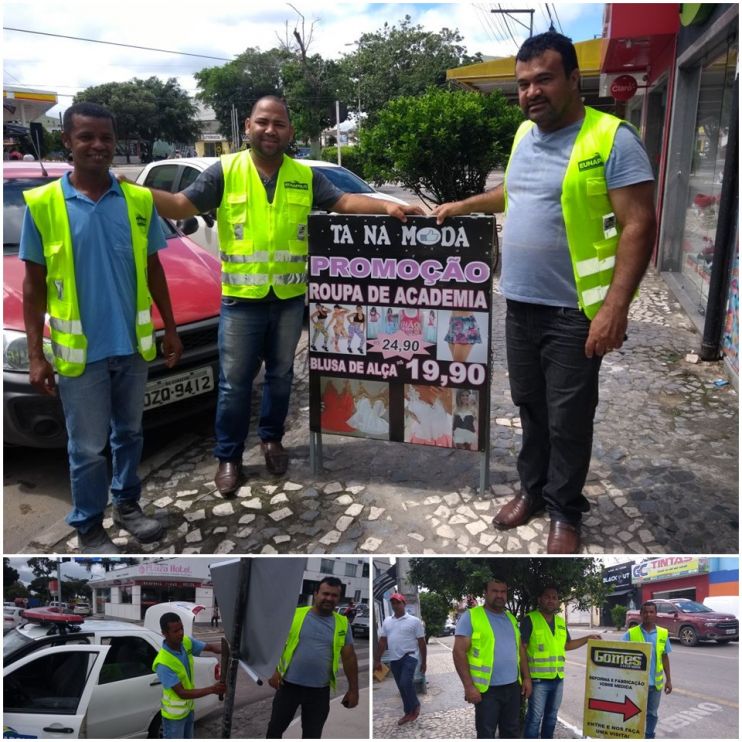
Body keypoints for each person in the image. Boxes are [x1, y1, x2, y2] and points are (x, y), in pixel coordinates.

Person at [434, 32, 656, 553]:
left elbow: (639, 225)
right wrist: (465, 205)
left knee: (569, 418)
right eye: (523, 84)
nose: (532, 92)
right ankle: (532, 491)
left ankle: (565, 511)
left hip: (576, 311)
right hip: (521, 305)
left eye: (544, 80)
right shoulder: (522, 137)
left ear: (575, 79)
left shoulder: (612, 138)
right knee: (531, 407)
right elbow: (513, 191)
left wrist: (614, 309)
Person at [140, 96, 423, 490]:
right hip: (241, 302)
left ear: (289, 131)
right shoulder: (226, 171)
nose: (270, 130)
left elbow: (343, 202)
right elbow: (180, 203)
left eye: (278, 124)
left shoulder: (304, 176)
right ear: (249, 128)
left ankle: (272, 441)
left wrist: (388, 207)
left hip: (289, 300)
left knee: (280, 377)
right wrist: (133, 192)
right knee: (234, 385)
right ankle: (229, 456)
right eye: (262, 122)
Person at [21, 101, 183, 554]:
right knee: (87, 449)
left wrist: (170, 328)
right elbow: (33, 289)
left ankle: (127, 506)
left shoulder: (137, 201)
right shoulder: (44, 205)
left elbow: (154, 270)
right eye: (86, 137)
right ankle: (89, 528)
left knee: (130, 435)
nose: (97, 145)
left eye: (106, 138)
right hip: (80, 356)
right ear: (67, 141)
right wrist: (36, 354)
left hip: (131, 347)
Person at [266, 576, 359, 738]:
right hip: (288, 687)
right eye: (325, 594)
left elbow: (349, 658)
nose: (329, 598)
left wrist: (354, 690)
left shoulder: (343, 623)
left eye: (334, 595)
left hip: (319, 692)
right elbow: (273, 643)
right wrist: (272, 670)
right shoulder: (295, 615)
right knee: (274, 730)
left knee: (312, 735)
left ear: (339, 598)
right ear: (316, 594)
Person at [452, 577, 532, 738]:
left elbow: (520, 651)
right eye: (495, 591)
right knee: (486, 733)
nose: (499, 595)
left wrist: (527, 678)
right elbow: (458, 652)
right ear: (486, 593)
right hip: (487, 691)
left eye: (503, 591)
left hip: (512, 688)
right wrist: (469, 687)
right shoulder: (471, 616)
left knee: (511, 732)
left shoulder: (510, 618)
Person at [521, 585, 601, 738]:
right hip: (538, 680)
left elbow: (567, 645)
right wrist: (526, 678)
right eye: (547, 597)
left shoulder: (560, 622)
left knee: (551, 717)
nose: (551, 600)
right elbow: (521, 650)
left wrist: (587, 638)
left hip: (558, 679)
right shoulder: (529, 620)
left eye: (554, 597)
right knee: (534, 719)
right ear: (540, 599)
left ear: (558, 602)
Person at [153, 612, 226, 738]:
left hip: (189, 710)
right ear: (164, 633)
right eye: (176, 631)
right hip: (174, 717)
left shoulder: (185, 642)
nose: (181, 633)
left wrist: (227, 649)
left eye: (181, 628)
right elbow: (181, 693)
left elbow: (208, 647)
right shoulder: (163, 662)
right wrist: (212, 689)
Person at [375, 592, 427, 726]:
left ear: (404, 604)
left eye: (398, 602)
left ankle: (415, 705)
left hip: (409, 656)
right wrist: (377, 660)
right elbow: (382, 641)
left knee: (405, 682)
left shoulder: (414, 621)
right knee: (401, 687)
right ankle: (408, 712)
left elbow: (421, 642)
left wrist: (424, 662)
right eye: (393, 602)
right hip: (394, 659)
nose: (395, 605)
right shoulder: (387, 621)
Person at [622, 602, 672, 739]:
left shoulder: (663, 633)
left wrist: (669, 680)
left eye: (651, 612)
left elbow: (665, 657)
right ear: (640, 614)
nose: (648, 614)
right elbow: (619, 655)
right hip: (636, 685)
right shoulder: (630, 634)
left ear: (655, 614)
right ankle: (633, 736)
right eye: (645, 612)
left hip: (655, 685)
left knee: (652, 714)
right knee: (633, 714)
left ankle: (649, 736)